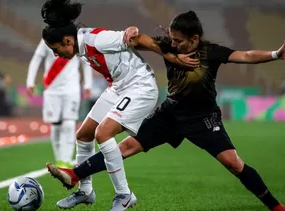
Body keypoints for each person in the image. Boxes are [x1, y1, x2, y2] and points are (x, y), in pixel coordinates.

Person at [47, 11, 285, 211]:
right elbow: (140, 39)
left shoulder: (210, 52)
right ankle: (75, 175)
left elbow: (246, 55)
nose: (173, 43)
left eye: (178, 40)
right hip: (170, 113)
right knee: (125, 147)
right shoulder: (169, 47)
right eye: (171, 38)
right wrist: (131, 31)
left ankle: (276, 206)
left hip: (202, 118)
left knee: (233, 164)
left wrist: (275, 54)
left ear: (194, 39)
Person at [41, 1, 197, 210]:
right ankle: (85, 191)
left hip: (140, 87)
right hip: (119, 87)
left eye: (55, 48)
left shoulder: (97, 40)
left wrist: (172, 57)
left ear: (67, 40)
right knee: (83, 134)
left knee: (103, 133)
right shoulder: (81, 44)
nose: (55, 54)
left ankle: (124, 195)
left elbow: (136, 38)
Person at [27, 38, 93, 168]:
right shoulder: (48, 38)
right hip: (52, 89)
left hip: (71, 89)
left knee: (69, 124)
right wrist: (30, 81)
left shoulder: (76, 38)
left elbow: (85, 61)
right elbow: (37, 58)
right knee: (56, 125)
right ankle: (59, 160)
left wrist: (88, 84)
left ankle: (66, 160)